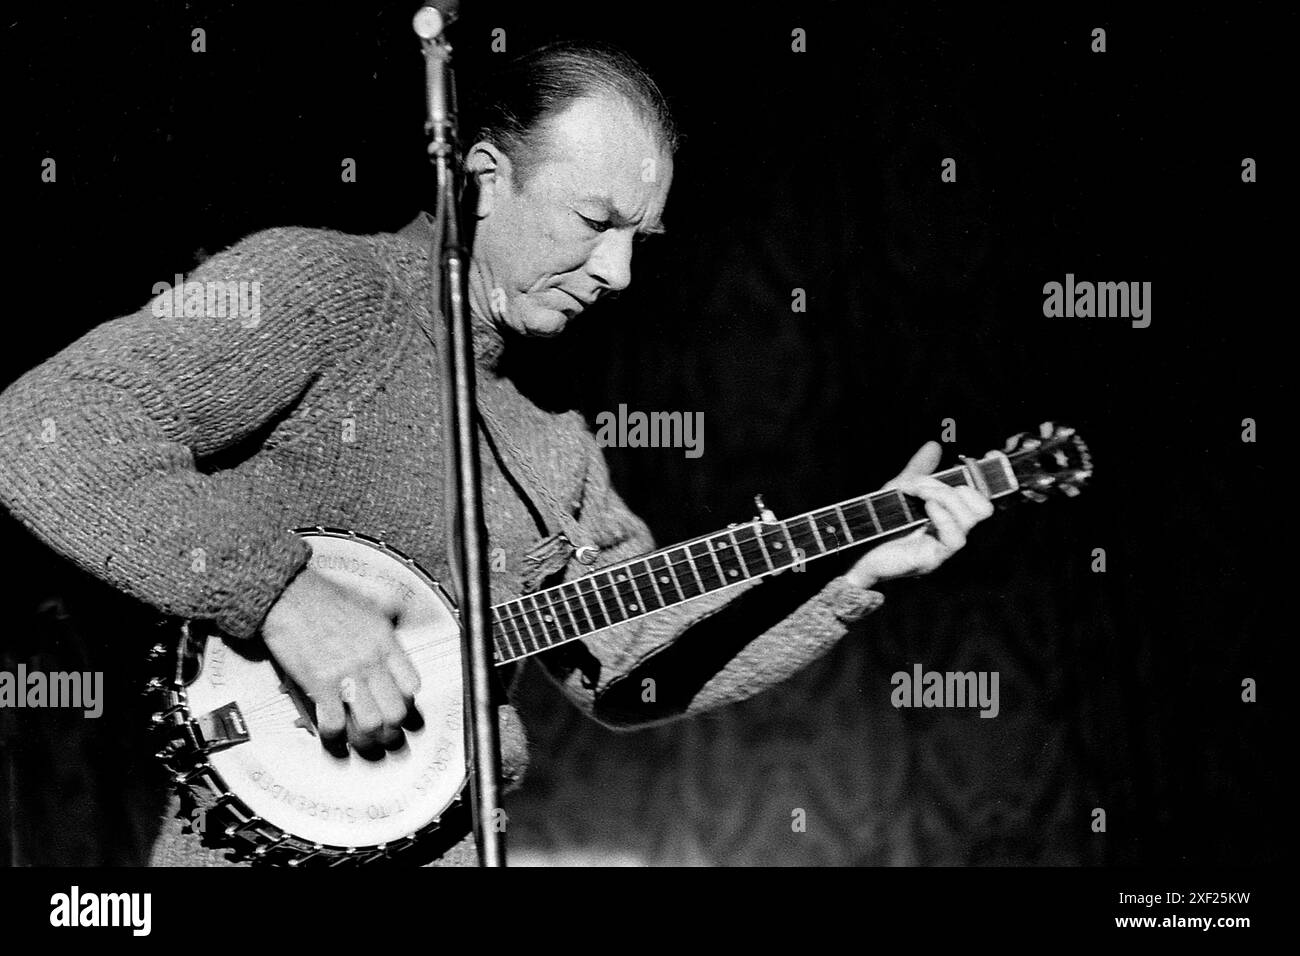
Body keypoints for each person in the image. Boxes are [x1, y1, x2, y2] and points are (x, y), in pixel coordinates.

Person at [0, 41, 993, 866]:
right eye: (595, 222)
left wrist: (851, 569)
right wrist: (284, 594)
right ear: (482, 178)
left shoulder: (551, 438)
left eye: (640, 238)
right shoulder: (325, 289)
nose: (617, 272)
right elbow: (42, 431)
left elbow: (628, 670)